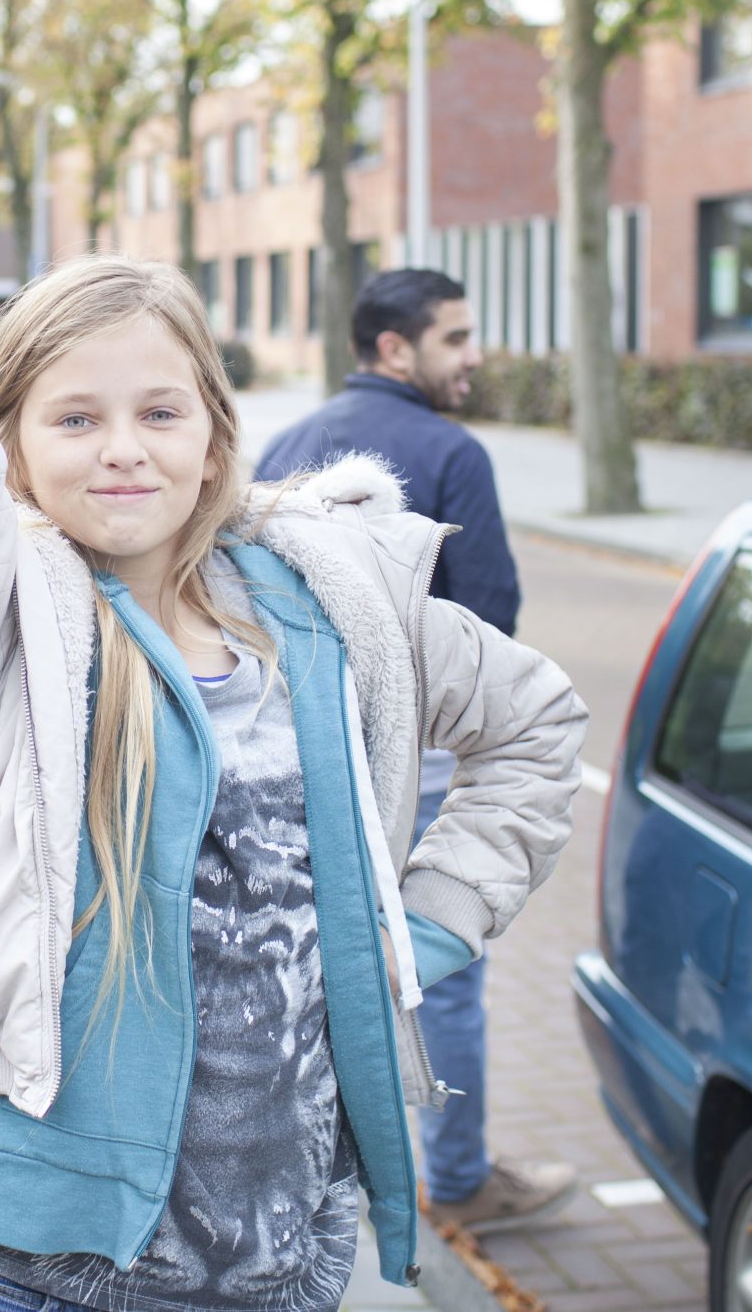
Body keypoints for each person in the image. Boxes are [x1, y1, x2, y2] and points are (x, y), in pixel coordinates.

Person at [0, 0, 586, 1311]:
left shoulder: (328, 594)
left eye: (160, 410)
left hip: (282, 1266)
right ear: (11, 445)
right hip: (25, 1271)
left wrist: (425, 924)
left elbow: (534, 725)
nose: (123, 447)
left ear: (219, 434)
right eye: (76, 414)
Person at [257, 270, 572, 1234]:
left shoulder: (282, 443)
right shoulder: (452, 452)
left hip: (299, 753)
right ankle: (462, 1177)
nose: (472, 355)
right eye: (457, 337)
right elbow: (491, 624)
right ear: (397, 349)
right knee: (444, 967)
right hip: (422, 753)